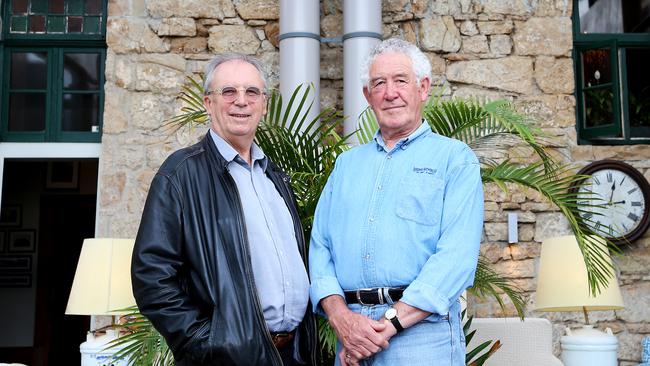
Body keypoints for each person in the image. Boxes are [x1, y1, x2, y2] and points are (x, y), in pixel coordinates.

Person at [131, 53, 317, 366]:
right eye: (228, 92)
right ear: (208, 103)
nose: (241, 101)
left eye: (251, 92)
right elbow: (151, 274)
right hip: (227, 359)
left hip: (292, 354)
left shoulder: (275, 176)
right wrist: (207, 343)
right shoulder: (180, 174)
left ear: (264, 104)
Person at [309, 38, 484, 366]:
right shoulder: (345, 166)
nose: (390, 93)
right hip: (351, 336)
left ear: (423, 88)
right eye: (379, 83)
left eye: (400, 81)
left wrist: (385, 326)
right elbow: (320, 248)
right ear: (367, 96)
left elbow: (456, 258)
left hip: (422, 335)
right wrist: (343, 320)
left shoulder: (455, 160)